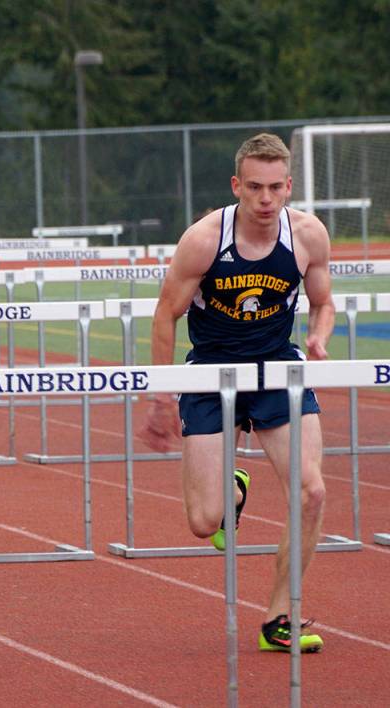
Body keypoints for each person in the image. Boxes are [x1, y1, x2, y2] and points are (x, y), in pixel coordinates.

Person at [139, 133, 333, 653]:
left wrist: (319, 335)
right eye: (254, 187)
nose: (265, 199)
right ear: (236, 186)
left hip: (277, 369)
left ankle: (280, 617)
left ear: (288, 186)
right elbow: (165, 314)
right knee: (204, 522)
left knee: (311, 492)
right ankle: (234, 491)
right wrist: (161, 398)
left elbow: (323, 301)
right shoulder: (205, 239)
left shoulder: (308, 235)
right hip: (211, 372)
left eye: (275, 187)